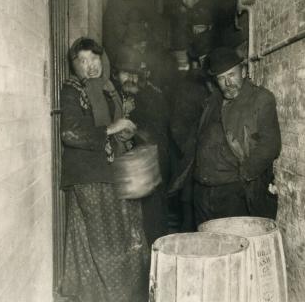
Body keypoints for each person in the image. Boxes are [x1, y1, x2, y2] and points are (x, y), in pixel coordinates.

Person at [59, 37, 149, 302]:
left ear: (103, 58)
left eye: (94, 59)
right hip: (90, 175)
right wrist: (114, 128)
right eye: (83, 61)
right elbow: (70, 133)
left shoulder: (109, 88)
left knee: (113, 237)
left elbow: (112, 128)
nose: (90, 67)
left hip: (111, 170)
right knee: (106, 241)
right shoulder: (72, 90)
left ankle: (107, 295)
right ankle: (116, 296)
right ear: (74, 66)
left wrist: (125, 132)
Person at [193, 47, 281, 227]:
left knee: (233, 246)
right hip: (203, 192)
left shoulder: (261, 99)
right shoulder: (212, 101)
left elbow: (270, 145)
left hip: (233, 192)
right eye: (221, 78)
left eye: (231, 75)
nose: (227, 82)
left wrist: (244, 176)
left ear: (243, 71)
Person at [111, 45, 169, 246]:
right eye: (125, 73)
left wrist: (136, 132)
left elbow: (159, 133)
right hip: (121, 175)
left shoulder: (152, 96)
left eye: (135, 74)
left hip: (147, 173)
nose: (131, 79)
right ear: (115, 74)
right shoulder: (110, 95)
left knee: (152, 226)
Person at [169, 37, 212, 230]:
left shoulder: (216, 84)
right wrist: (192, 147)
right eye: (201, 59)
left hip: (215, 166)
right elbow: (177, 124)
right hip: (194, 157)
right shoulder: (189, 87)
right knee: (190, 209)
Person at [103, 0, 158, 64]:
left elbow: (156, 25)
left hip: (145, 48)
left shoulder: (144, 3)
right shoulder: (113, 5)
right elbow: (110, 36)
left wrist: (147, 42)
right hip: (122, 51)